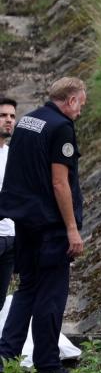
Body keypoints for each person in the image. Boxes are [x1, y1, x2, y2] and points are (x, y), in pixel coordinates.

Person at [0, 78, 86, 373]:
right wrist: (72, 229)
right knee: (51, 295)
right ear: (72, 99)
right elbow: (59, 182)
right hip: (52, 227)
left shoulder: (27, 122)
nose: (80, 111)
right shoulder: (61, 127)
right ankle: (48, 365)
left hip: (25, 222)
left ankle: (6, 359)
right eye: (81, 104)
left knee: (27, 290)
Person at [0, 96, 17, 305]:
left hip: (10, 238)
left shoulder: (11, 154)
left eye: (12, 116)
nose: (9, 120)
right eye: (3, 115)